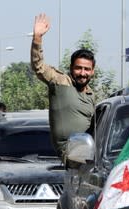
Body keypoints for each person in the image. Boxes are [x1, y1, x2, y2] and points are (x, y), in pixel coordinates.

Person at [31, 13, 96, 161]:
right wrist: (37, 38)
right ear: (71, 68)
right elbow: (39, 67)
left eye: (87, 69)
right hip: (71, 155)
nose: (82, 73)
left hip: (91, 154)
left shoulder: (91, 95)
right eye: (78, 68)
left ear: (92, 71)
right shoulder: (60, 81)